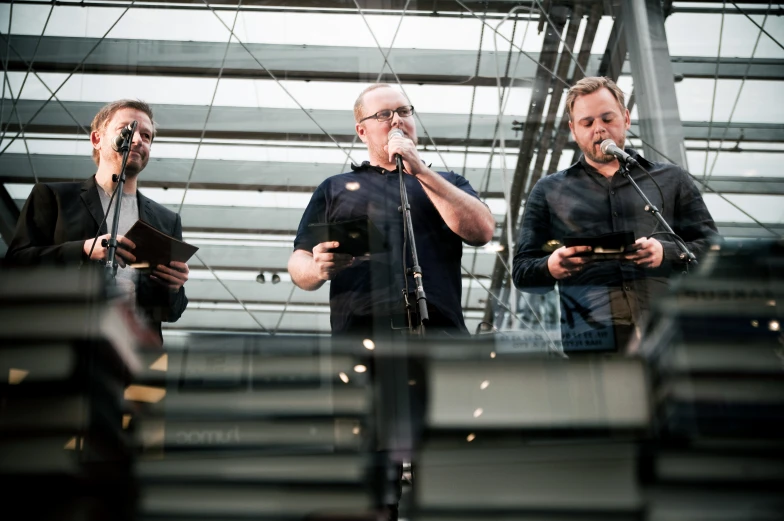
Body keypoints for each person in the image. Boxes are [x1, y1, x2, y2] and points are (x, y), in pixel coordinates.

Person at [512, 77, 719, 353]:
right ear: (573, 130)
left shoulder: (671, 179)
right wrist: (551, 265)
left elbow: (715, 250)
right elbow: (522, 271)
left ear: (626, 118)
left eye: (607, 118)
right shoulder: (549, 190)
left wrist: (666, 252)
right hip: (593, 343)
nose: (599, 129)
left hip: (670, 338)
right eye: (587, 123)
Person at [288, 84, 495, 339]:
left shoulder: (447, 182)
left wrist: (419, 169)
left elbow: (483, 231)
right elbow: (299, 260)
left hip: (441, 334)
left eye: (404, 111)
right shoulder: (335, 188)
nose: (397, 120)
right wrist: (317, 269)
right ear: (362, 131)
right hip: (360, 336)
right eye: (384, 114)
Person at [5, 99, 189, 344]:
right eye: (127, 130)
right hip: (64, 350)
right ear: (96, 139)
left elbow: (171, 312)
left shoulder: (167, 220)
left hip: (134, 358)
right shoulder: (54, 197)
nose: (137, 140)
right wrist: (83, 250)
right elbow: (15, 265)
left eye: (146, 136)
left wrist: (174, 287)